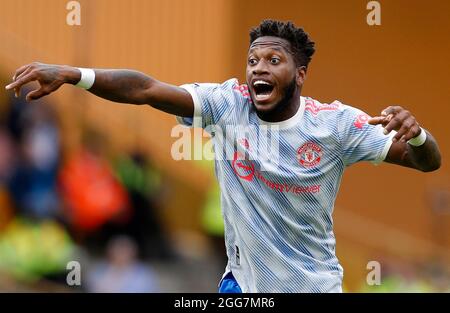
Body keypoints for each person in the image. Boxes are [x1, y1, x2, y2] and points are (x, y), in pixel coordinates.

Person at [5, 20, 441, 292]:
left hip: (312, 287)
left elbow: (428, 162)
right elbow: (145, 89)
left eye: (274, 59)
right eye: (253, 60)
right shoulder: (225, 105)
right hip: (241, 285)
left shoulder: (335, 125)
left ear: (300, 74)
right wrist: (73, 74)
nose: (259, 69)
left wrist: (419, 135)